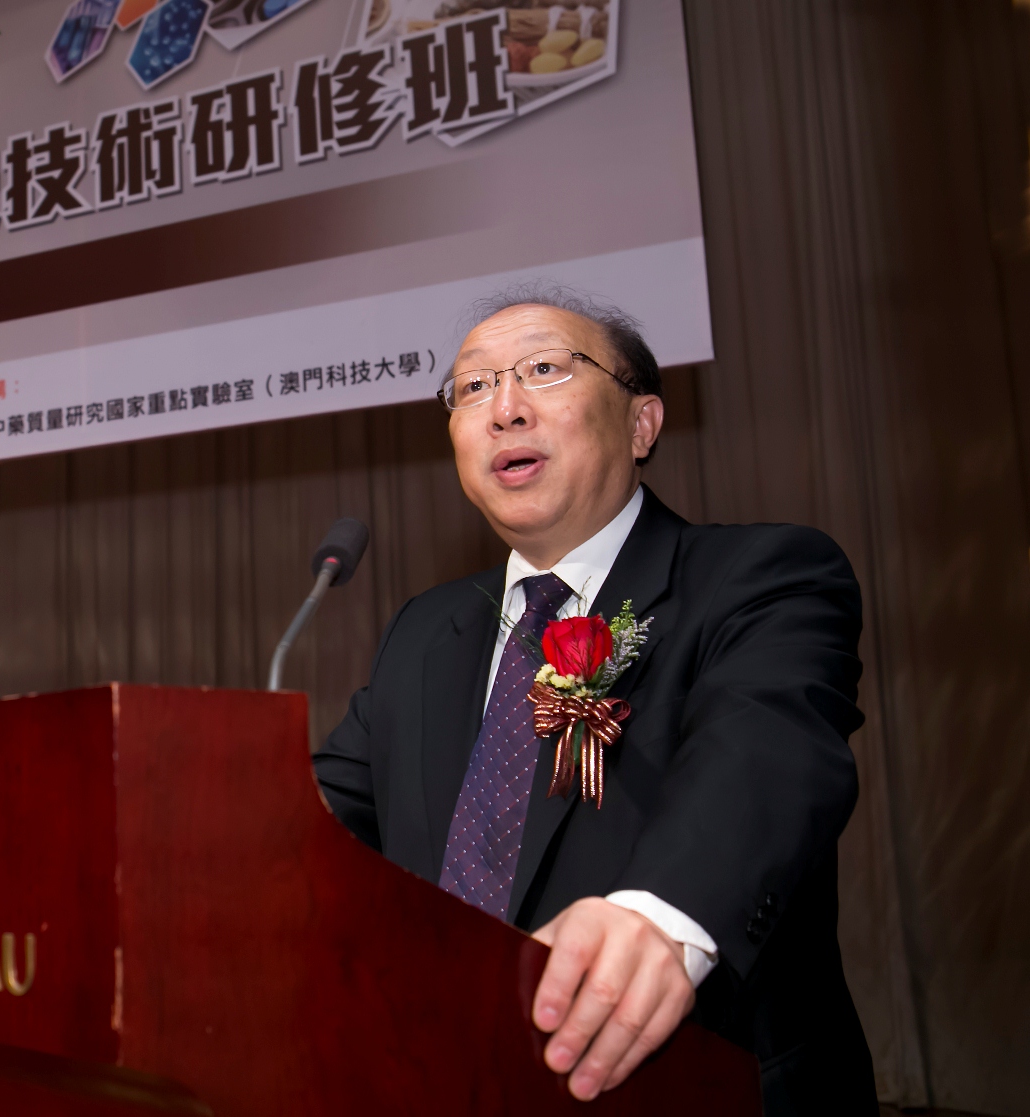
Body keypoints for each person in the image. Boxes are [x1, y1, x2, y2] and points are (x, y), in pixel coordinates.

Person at [313, 286, 877, 1115]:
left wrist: (661, 917)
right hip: (445, 1081)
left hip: (693, 1086)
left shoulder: (760, 577)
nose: (505, 407)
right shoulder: (424, 633)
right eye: (472, 386)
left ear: (642, 423)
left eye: (545, 369)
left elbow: (765, 752)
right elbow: (314, 822)